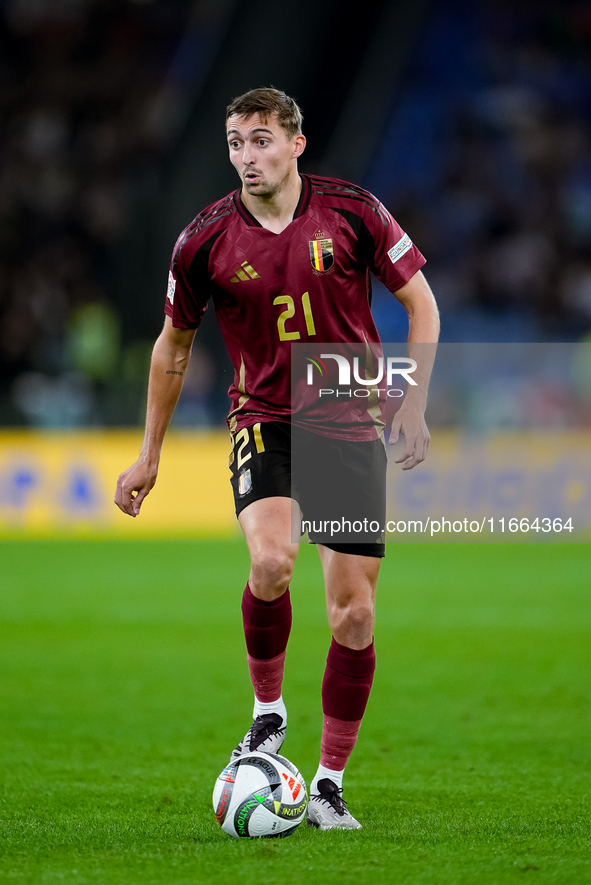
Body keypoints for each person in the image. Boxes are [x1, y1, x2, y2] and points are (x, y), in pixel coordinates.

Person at [115, 87, 440, 830]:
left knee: (352, 613)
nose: (245, 156)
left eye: (260, 140)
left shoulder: (353, 211)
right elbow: (174, 345)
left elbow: (421, 303)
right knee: (270, 562)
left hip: (349, 418)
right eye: (235, 143)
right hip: (263, 414)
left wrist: (413, 402)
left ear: (296, 142)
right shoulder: (202, 241)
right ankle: (267, 712)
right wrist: (148, 454)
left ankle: (327, 782)